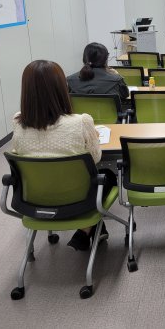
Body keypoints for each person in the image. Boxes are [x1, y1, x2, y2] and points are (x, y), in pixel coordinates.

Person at [12, 60, 115, 251]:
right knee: (107, 176)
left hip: (36, 198)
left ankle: (94, 231)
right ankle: (86, 230)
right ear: (61, 88)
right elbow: (95, 158)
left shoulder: (18, 123)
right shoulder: (81, 121)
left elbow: (20, 154)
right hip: (77, 199)